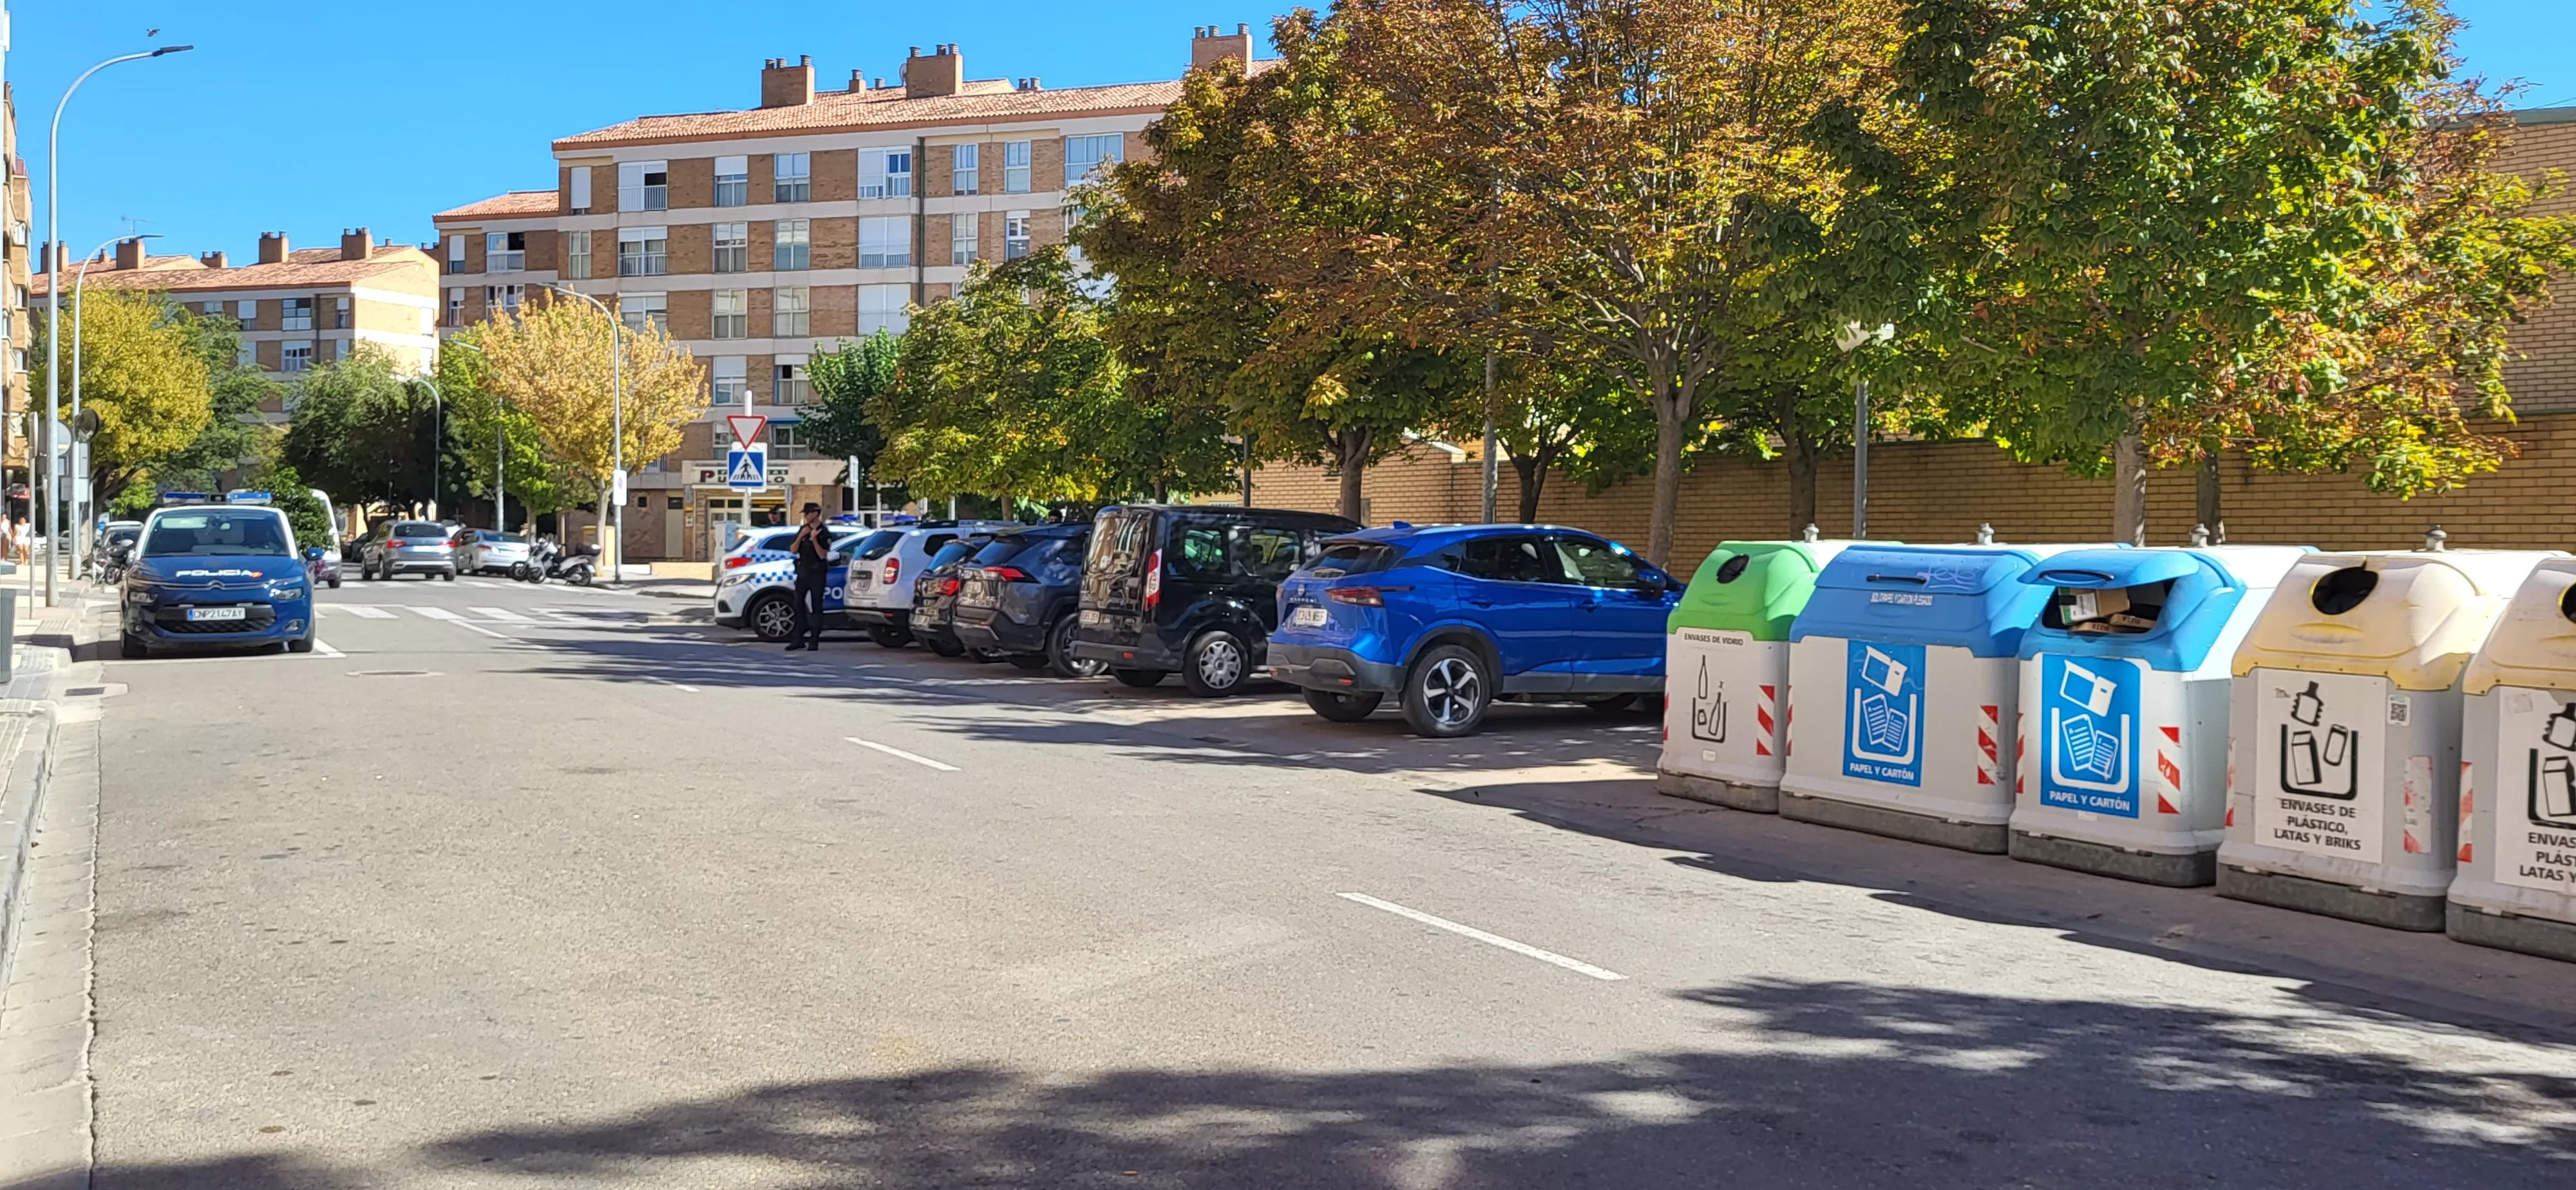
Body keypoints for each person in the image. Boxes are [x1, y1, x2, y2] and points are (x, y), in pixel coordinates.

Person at [785, 502, 833, 652]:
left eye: (808, 513)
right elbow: (793, 550)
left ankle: (814, 640)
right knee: (798, 603)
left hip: (817, 573)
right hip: (803, 572)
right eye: (805, 513)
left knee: (816, 605)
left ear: (816, 514)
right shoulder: (803, 529)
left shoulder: (824, 532)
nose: (806, 516)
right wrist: (801, 536)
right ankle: (798, 638)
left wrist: (815, 540)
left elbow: (823, 555)